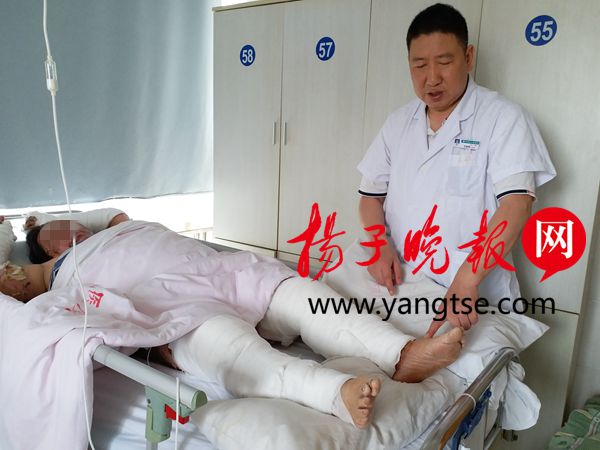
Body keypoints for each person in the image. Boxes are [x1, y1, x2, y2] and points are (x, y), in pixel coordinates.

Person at [0, 219, 465, 428]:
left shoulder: (115, 228)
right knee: (233, 352)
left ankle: (400, 353)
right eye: (55, 228)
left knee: (302, 294)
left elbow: (105, 217)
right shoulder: (59, 286)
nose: (71, 225)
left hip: (217, 269)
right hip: (169, 305)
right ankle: (335, 393)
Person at [357, 3, 556, 336]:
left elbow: (516, 204)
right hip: (404, 285)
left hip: (475, 292)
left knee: (467, 362)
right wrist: (379, 245)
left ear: (468, 56)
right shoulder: (398, 123)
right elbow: (370, 196)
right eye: (420, 65)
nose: (432, 78)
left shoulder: (503, 117)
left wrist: (468, 277)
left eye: (444, 62)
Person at [24, 208, 129, 263]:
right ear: (53, 255)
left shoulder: (122, 237)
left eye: (66, 227)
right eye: (57, 235)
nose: (72, 232)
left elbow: (116, 216)